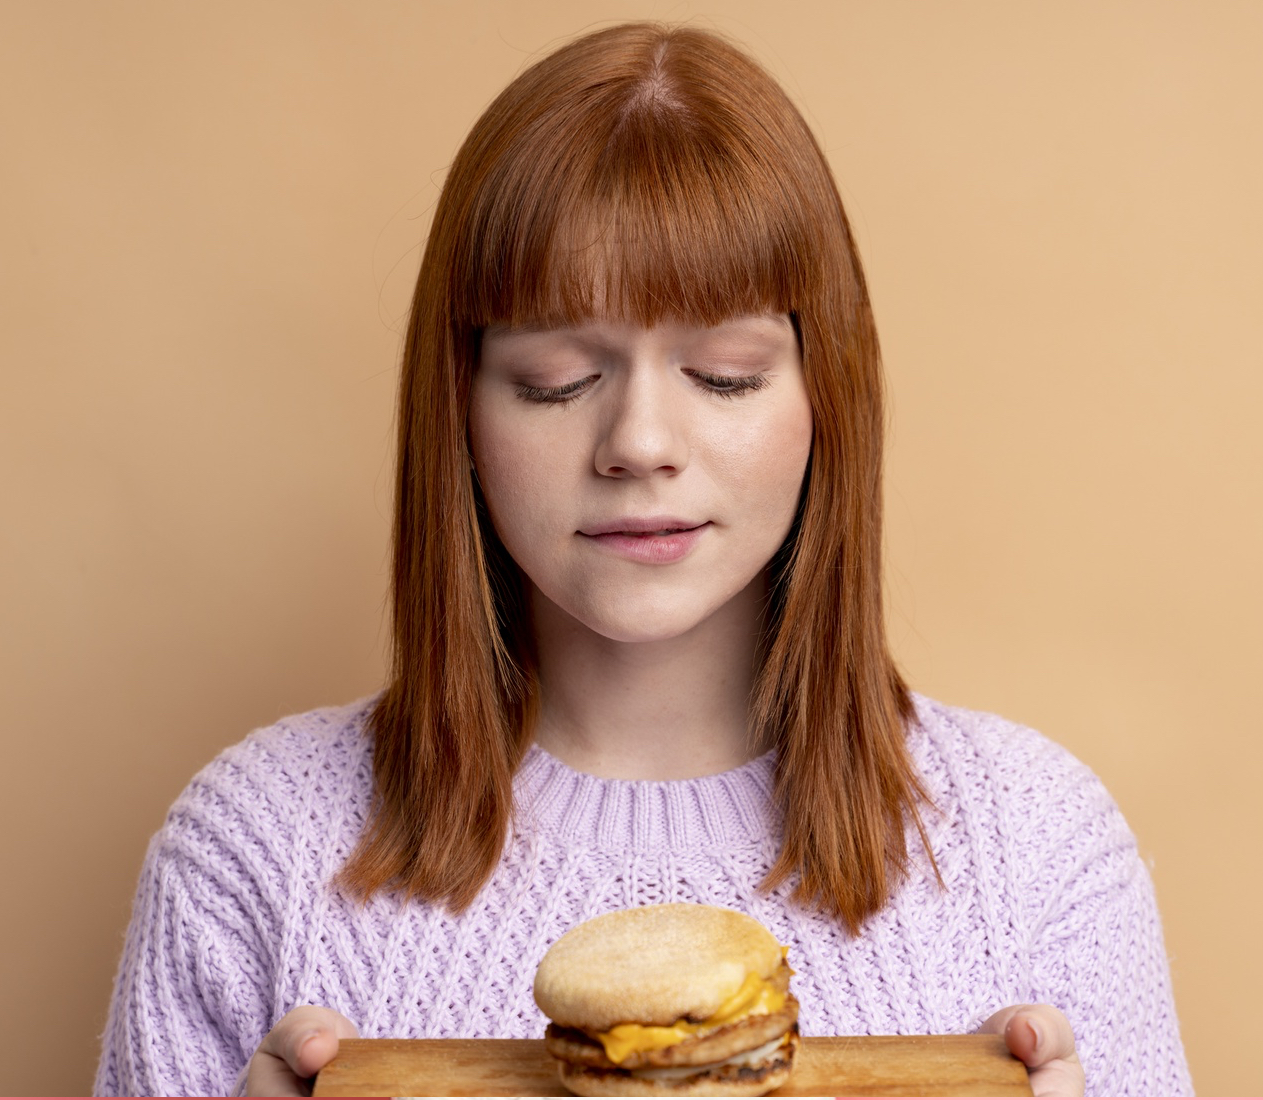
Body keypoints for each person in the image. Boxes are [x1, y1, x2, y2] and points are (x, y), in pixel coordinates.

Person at [94, 21, 1190, 1098]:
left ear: (826, 399)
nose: (640, 445)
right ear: (461, 414)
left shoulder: (1036, 848)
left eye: (723, 373)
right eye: (558, 379)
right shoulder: (254, 852)